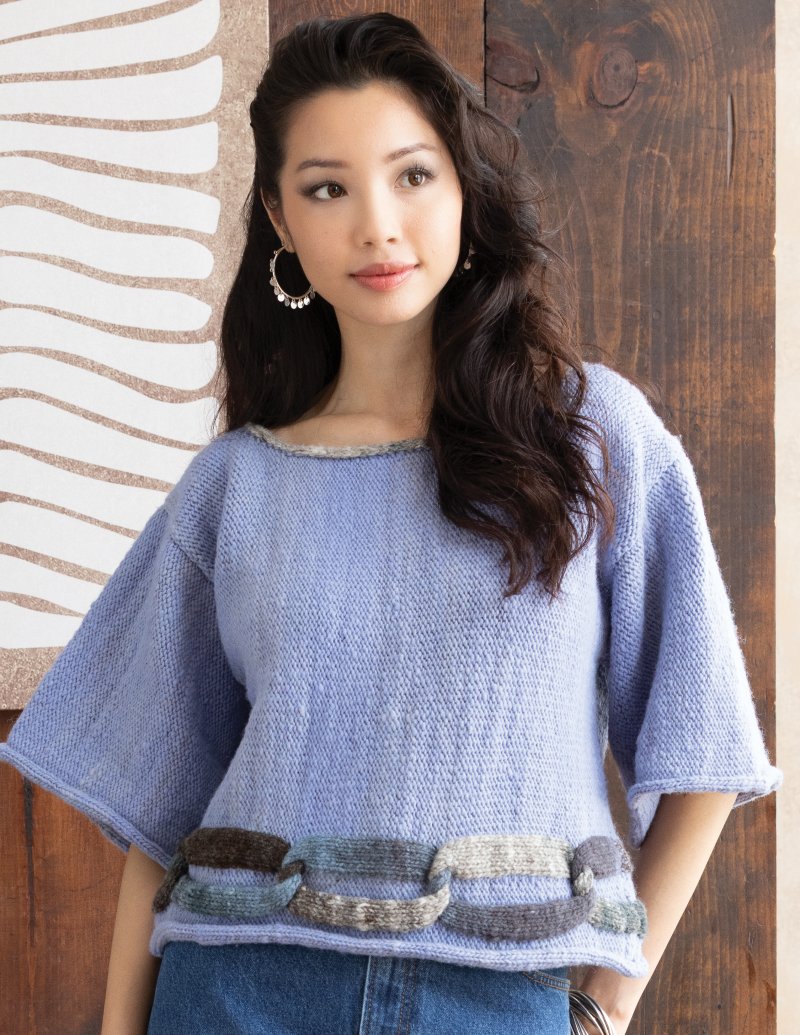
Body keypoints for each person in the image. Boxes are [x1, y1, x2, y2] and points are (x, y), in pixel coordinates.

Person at [0, 12, 782, 1035]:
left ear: (463, 188)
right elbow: (163, 815)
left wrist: (601, 1011)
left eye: (411, 174)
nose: (376, 225)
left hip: (499, 999)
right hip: (236, 992)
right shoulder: (236, 485)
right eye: (327, 188)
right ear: (280, 220)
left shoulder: (592, 437)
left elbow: (701, 753)